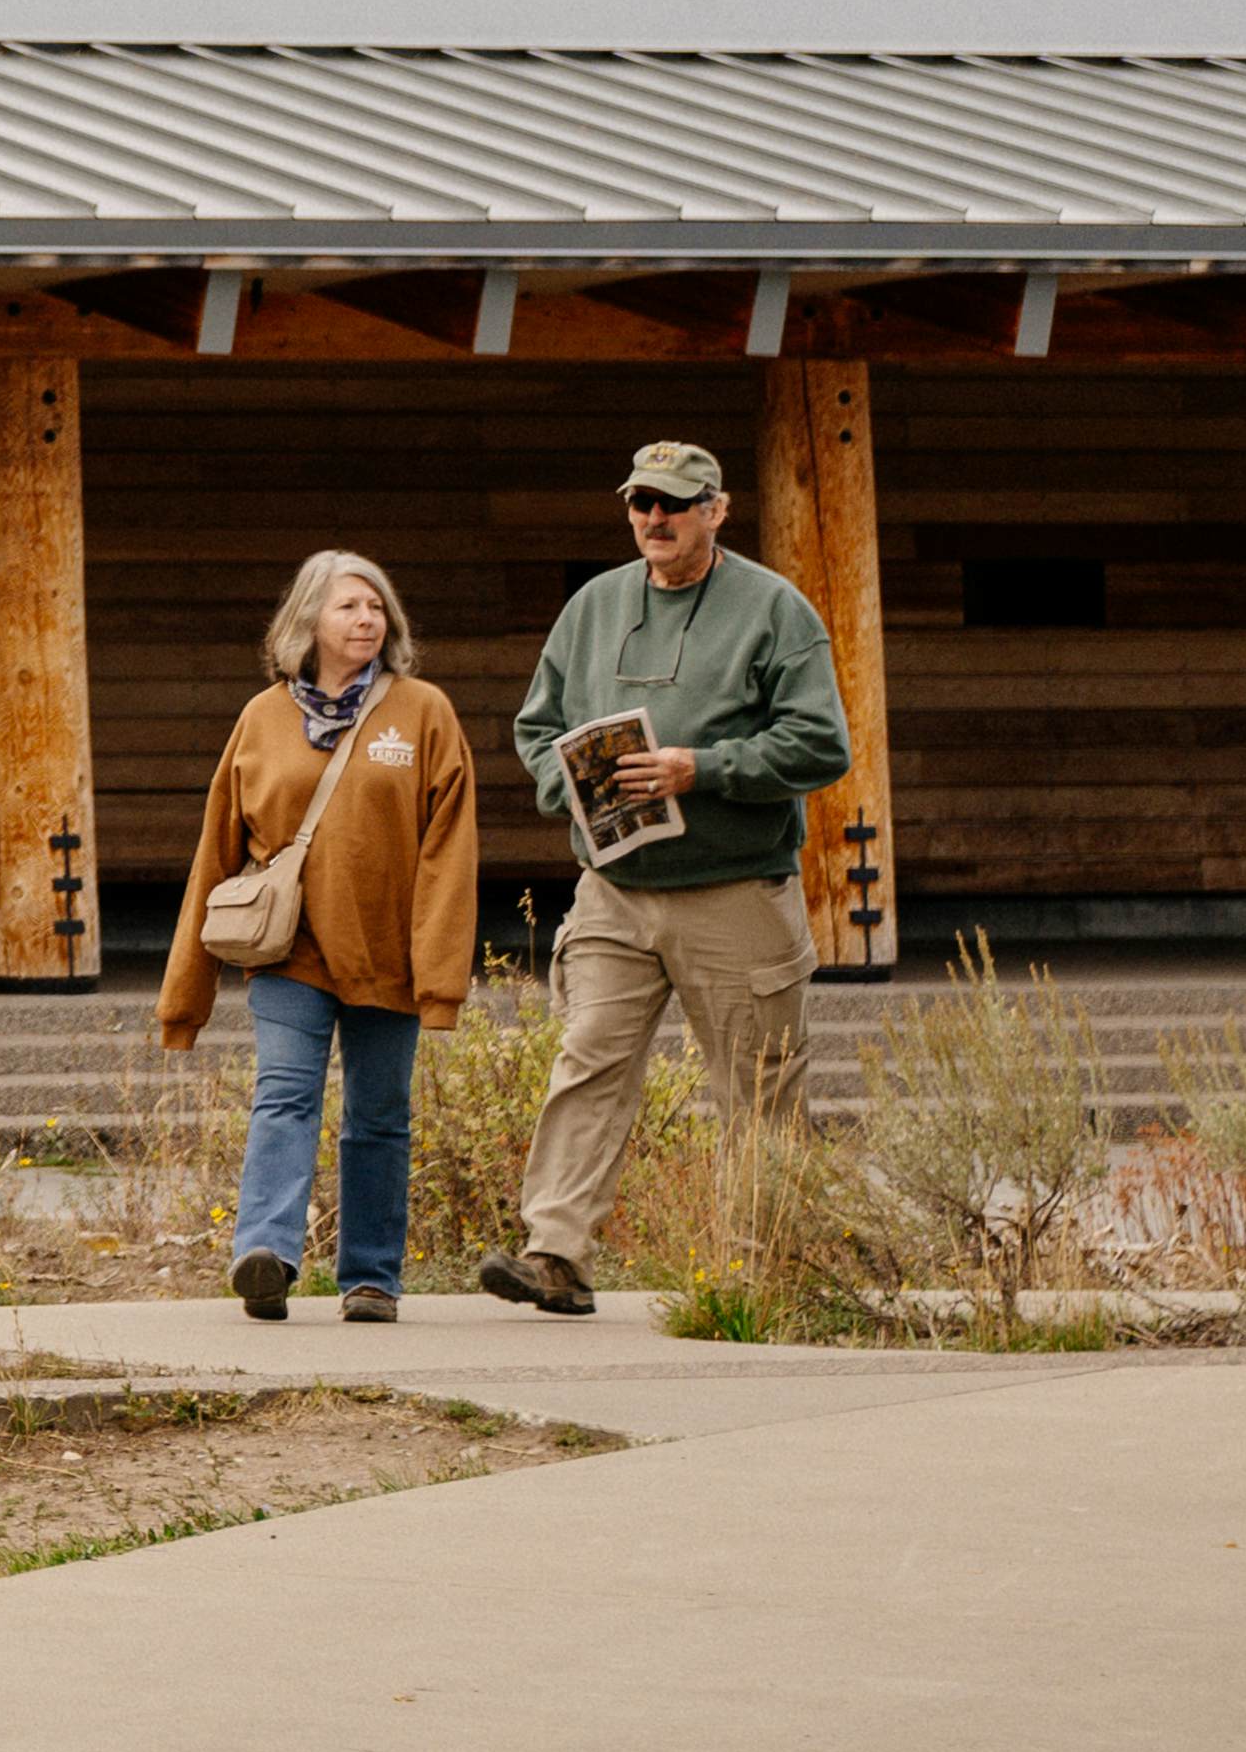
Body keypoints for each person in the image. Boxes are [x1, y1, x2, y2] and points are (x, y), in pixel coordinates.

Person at [486, 436, 853, 1316]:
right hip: (614, 886)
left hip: (735, 888)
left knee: (758, 1084)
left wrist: (703, 768)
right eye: (641, 503)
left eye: (675, 503)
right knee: (589, 1061)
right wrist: (568, 788)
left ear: (716, 511)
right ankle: (556, 1254)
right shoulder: (593, 606)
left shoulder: (777, 610)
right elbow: (538, 726)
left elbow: (822, 743)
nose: (654, 518)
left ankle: (759, 1271)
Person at [166, 549, 481, 1320]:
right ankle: (266, 1252)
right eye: (349, 606)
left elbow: (449, 850)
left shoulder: (424, 711)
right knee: (283, 1096)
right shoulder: (261, 717)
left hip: (388, 953)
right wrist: (186, 992)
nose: (367, 618)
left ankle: (371, 1277)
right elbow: (217, 847)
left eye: (377, 607)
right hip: (287, 951)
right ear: (307, 619)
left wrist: (439, 975)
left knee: (379, 1114)